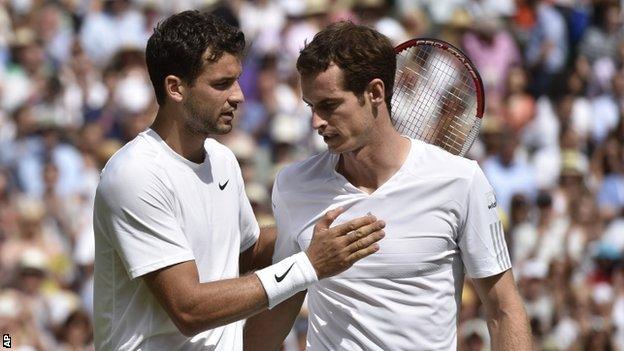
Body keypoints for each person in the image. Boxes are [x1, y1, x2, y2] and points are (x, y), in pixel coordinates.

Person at [92, 11, 386, 351]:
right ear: (175, 88)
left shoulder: (222, 160)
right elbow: (188, 309)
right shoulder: (134, 174)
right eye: (221, 84)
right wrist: (308, 264)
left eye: (236, 81)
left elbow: (244, 254)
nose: (238, 95)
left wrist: (320, 227)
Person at [244, 21, 532, 350]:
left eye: (329, 105)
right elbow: (285, 303)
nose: (316, 122)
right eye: (311, 107)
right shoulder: (292, 185)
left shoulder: (461, 180)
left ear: (376, 93)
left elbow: (504, 311)